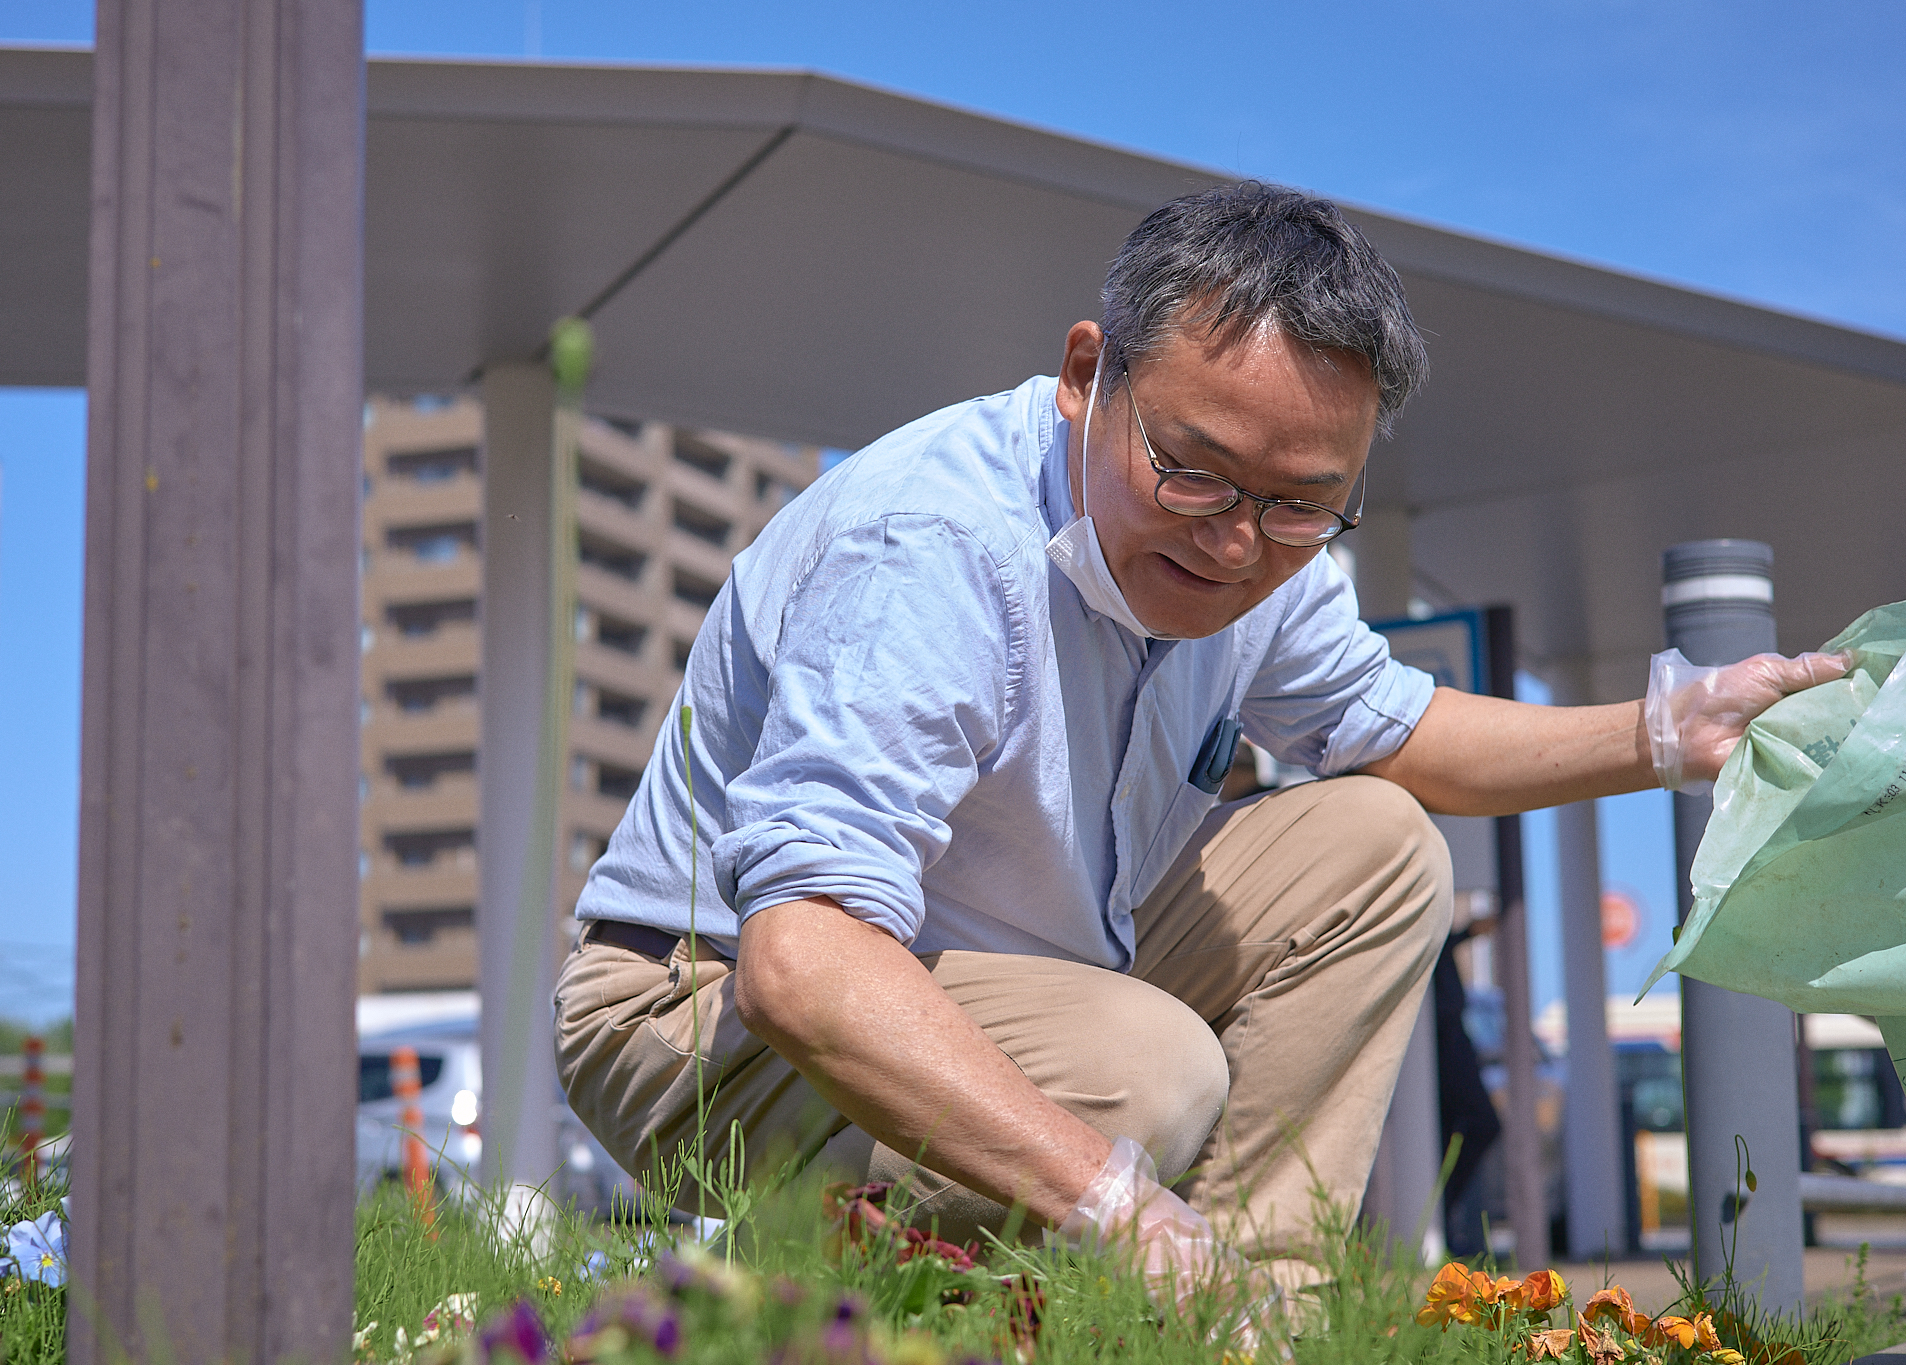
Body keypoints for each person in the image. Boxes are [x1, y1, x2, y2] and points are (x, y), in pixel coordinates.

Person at [553, 181, 1843, 1294]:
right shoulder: (938, 551)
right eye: (1192, 471)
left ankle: (1251, 1322)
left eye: (1299, 505)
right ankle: (1039, 1308)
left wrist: (1668, 729)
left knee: (1377, 846)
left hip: (994, 975)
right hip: (695, 1009)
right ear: (1082, 379)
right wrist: (1115, 1205)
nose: (1232, 544)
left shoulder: (1269, 558)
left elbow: (1406, 735)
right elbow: (804, 963)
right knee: (1139, 1073)